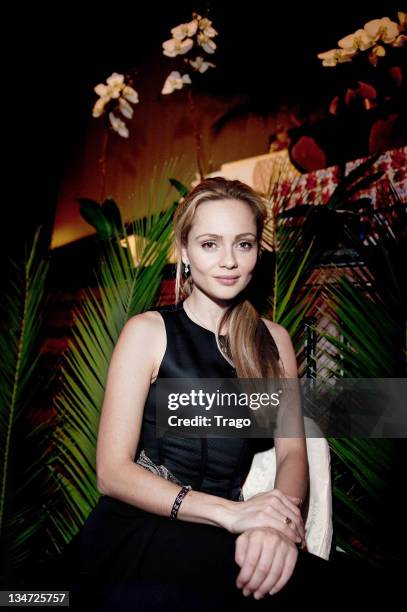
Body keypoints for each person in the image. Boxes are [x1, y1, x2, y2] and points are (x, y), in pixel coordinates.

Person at [69, 177, 383, 611]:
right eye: (210, 244)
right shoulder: (148, 332)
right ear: (184, 251)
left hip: (226, 536)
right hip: (141, 533)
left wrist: (277, 525)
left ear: (258, 251)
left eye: (244, 244)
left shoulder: (274, 341)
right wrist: (232, 514)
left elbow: (293, 453)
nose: (230, 261)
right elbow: (112, 471)